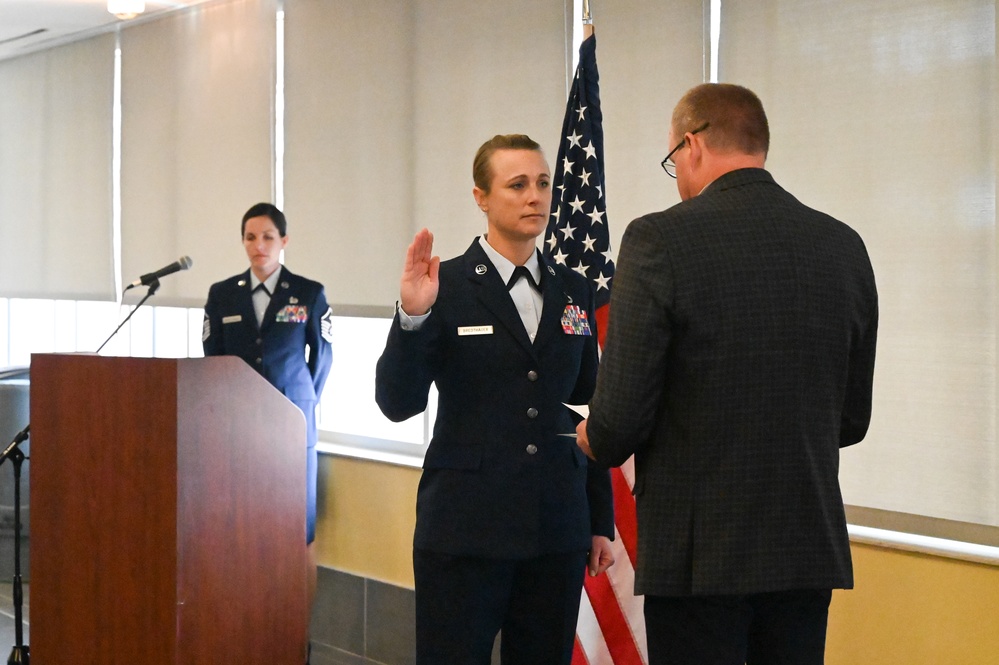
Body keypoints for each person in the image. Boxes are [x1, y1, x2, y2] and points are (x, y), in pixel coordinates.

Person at [575, 84, 878, 665]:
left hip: (699, 559)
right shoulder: (844, 246)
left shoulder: (660, 239)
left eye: (673, 161)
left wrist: (596, 434)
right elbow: (851, 418)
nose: (678, 177)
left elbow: (619, 423)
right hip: (803, 547)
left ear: (692, 145)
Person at [375, 134, 615, 665]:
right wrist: (412, 317)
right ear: (481, 197)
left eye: (543, 183)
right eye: (517, 185)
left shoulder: (572, 288)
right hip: (466, 529)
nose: (536, 197)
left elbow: (586, 410)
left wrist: (601, 517)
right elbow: (397, 402)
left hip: (555, 527)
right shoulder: (447, 284)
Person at [202, 202, 333, 657]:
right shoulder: (222, 296)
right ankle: (242, 629)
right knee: (237, 530)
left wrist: (297, 407)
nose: (259, 246)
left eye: (268, 237)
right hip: (236, 434)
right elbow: (211, 361)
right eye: (250, 237)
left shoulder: (309, 293)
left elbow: (323, 360)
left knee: (301, 537)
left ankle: (296, 636)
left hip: (295, 434)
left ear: (284, 241)